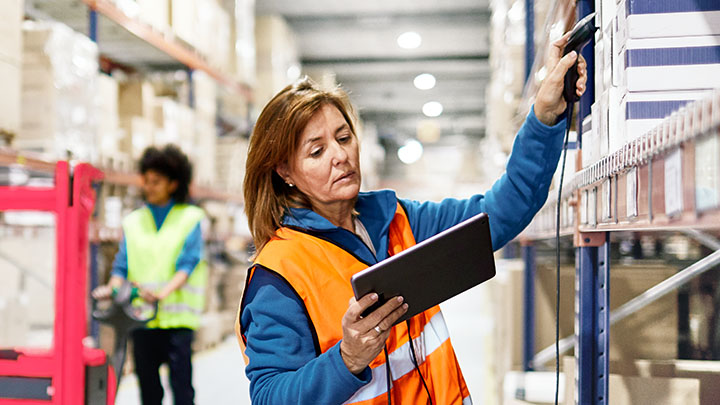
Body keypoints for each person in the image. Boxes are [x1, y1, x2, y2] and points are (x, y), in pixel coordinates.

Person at [235, 34, 587, 404]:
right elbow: (270, 396)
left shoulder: (396, 219)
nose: (340, 155)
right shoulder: (278, 275)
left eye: (344, 137)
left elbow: (502, 212)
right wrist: (347, 359)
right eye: (317, 150)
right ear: (284, 171)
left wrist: (545, 117)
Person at [93, 144, 207, 405]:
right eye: (147, 180)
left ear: (173, 183)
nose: (149, 186)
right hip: (141, 318)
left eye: (156, 181)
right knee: (149, 391)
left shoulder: (190, 218)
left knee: (182, 389)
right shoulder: (133, 222)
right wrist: (110, 289)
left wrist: (160, 294)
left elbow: (188, 265)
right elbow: (121, 267)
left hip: (178, 321)